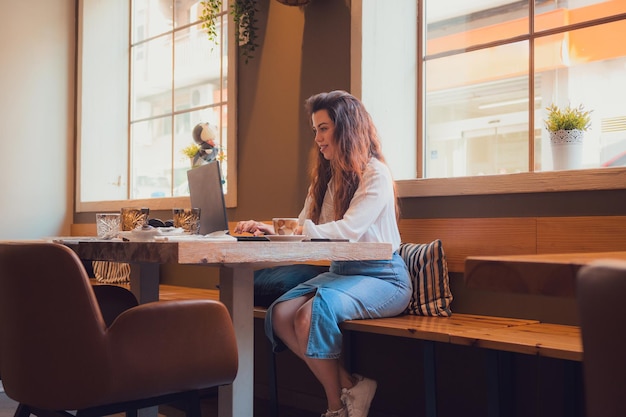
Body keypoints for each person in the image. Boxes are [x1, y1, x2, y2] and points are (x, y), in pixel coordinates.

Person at [235, 90, 412, 417]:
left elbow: (348, 230)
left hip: (383, 277)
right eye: (315, 130)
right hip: (342, 274)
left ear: (346, 128)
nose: (317, 138)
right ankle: (351, 385)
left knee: (307, 316)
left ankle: (335, 407)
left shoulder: (375, 174)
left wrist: (297, 231)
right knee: (280, 315)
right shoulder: (328, 178)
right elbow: (303, 224)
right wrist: (267, 228)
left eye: (324, 128)